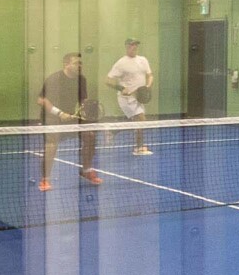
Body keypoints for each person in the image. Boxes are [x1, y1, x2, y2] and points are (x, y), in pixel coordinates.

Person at [37, 52, 103, 192]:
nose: (79, 66)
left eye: (80, 63)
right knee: (52, 144)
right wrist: (59, 113)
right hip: (51, 117)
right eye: (76, 63)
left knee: (90, 136)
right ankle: (45, 179)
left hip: (70, 117)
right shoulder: (55, 79)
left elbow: (82, 100)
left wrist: (85, 110)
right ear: (66, 64)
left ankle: (86, 170)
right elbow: (41, 100)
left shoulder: (81, 80)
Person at [105, 37, 154, 156]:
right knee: (141, 120)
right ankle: (138, 147)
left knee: (135, 120)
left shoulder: (143, 60)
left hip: (139, 97)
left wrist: (147, 86)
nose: (134, 47)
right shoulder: (121, 63)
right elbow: (108, 80)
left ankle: (112, 131)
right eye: (132, 45)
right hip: (126, 98)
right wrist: (121, 88)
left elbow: (150, 75)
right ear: (127, 46)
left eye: (136, 44)